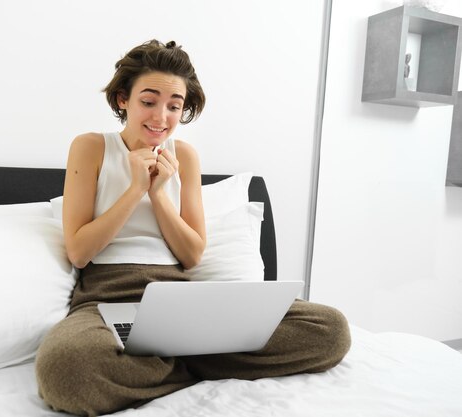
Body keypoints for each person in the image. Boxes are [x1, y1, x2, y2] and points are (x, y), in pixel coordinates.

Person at [35, 39, 351, 417]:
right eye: (148, 101)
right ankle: (200, 366)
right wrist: (136, 189)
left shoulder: (183, 156)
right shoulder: (91, 147)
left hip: (182, 301)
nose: (161, 117)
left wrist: (159, 195)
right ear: (123, 99)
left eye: (174, 106)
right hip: (105, 299)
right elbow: (80, 251)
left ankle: (169, 364)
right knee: (66, 371)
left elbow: (191, 255)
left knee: (330, 329)